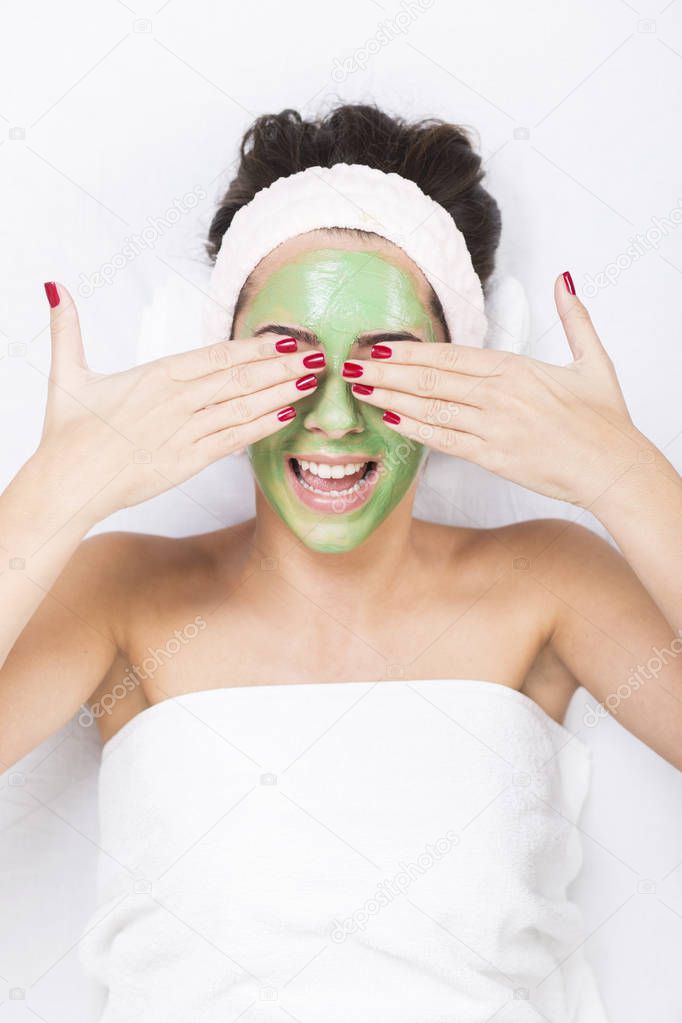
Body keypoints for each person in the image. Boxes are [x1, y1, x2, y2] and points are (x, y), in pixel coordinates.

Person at [1, 104, 680, 1020]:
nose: (330, 416)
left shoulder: (549, 583)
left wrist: (622, 474)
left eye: (385, 363)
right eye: (286, 357)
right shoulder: (122, 594)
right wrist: (58, 492)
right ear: (211, 365)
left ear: (468, 371)